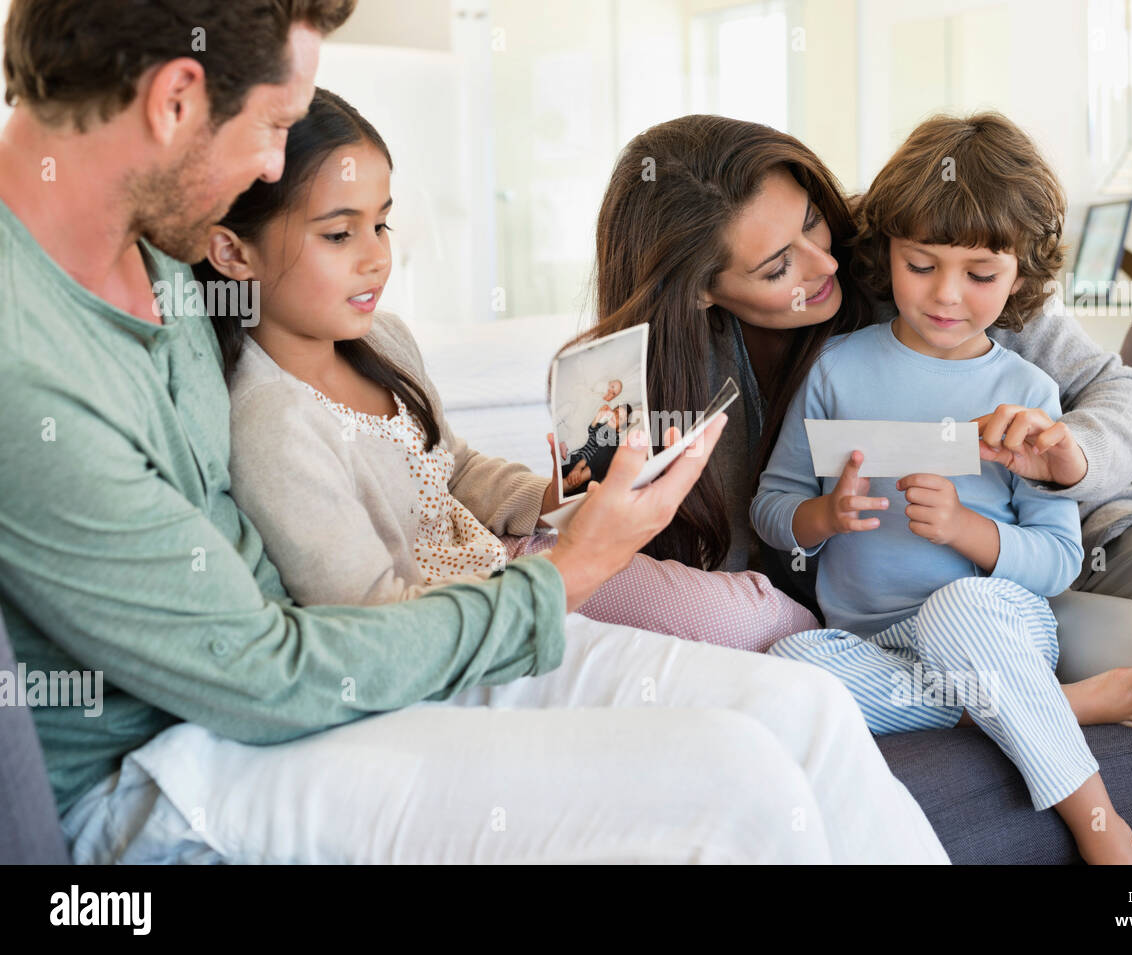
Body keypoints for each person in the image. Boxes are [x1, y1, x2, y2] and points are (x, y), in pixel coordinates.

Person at [0, 0, 948, 864]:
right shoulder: (28, 370)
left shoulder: (160, 263)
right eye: (277, 127)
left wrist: (554, 522)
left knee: (806, 708)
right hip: (190, 762)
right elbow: (261, 673)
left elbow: (406, 464)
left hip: (330, 674)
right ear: (175, 100)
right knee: (734, 780)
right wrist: (565, 572)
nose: (271, 166)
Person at [578, 111, 1132, 863]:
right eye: (775, 268)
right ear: (701, 291)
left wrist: (1068, 456)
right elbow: (743, 553)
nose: (822, 263)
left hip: (1089, 526)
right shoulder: (682, 390)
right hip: (946, 609)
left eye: (813, 223)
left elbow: (1116, 392)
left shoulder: (926, 243)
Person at [196, 87, 814, 651]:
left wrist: (551, 496)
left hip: (515, 552)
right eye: (338, 235)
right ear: (231, 251)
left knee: (772, 617)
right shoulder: (272, 423)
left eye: (381, 223)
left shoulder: (383, 341)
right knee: (762, 625)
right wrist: (566, 561)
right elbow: (372, 621)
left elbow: (454, 467)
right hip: (472, 606)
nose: (377, 258)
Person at [753, 113, 1132, 863]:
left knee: (956, 607)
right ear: (886, 256)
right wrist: (822, 515)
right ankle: (1045, 708)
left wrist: (968, 532)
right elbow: (772, 505)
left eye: (980, 274)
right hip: (873, 643)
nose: (946, 295)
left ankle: (1102, 824)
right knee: (792, 667)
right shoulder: (837, 370)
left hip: (992, 628)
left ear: (1021, 277)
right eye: (921, 264)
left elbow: (1059, 560)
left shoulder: (1027, 391)